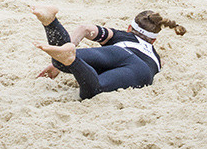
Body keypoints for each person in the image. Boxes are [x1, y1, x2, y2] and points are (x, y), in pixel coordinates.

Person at [32, 5, 186, 100]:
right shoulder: (156, 56)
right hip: (141, 69)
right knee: (94, 89)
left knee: (59, 61)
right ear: (153, 41)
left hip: (118, 51)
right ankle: (70, 58)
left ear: (129, 28)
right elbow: (161, 67)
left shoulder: (121, 35)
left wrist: (58, 64)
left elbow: (85, 28)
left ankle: (51, 22)